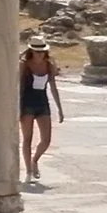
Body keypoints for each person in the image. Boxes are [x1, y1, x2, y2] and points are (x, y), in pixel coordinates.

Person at [20, 35, 65, 183]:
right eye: (37, 52)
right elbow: (19, 87)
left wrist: (59, 108)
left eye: (42, 52)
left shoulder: (49, 65)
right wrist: (16, 108)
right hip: (26, 102)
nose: (40, 55)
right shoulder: (24, 65)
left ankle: (35, 160)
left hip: (42, 102)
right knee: (28, 138)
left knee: (46, 139)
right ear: (31, 51)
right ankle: (28, 170)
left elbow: (53, 86)